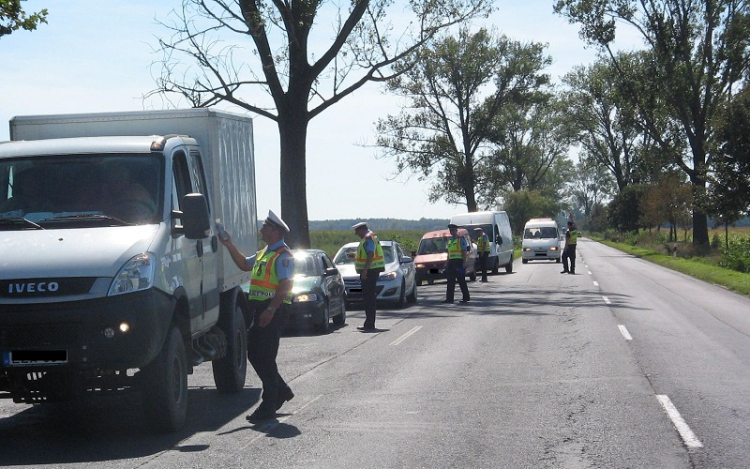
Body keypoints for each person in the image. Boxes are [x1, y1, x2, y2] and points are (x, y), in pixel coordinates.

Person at [219, 210, 295, 422]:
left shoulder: (283, 256)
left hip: (274, 309)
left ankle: (269, 404)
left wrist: (270, 311)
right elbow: (244, 264)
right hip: (262, 309)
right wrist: (229, 245)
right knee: (255, 353)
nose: (261, 229)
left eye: (265, 227)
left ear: (275, 231)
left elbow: (285, 285)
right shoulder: (265, 253)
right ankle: (281, 390)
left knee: (265, 357)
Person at [352, 222, 385, 331]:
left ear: (362, 230)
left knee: (369, 298)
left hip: (370, 272)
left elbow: (370, 254)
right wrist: (355, 256)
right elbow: (368, 254)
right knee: (369, 297)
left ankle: (369, 324)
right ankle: (369, 323)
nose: (357, 234)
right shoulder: (372, 237)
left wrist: (365, 271)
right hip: (372, 270)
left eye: (357, 232)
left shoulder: (368, 238)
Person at [444, 223, 470, 303]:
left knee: (461, 280)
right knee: (450, 281)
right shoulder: (450, 240)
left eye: (453, 230)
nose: (452, 232)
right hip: (451, 262)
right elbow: (449, 252)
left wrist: (464, 262)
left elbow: (464, 251)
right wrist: (447, 262)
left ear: (456, 230)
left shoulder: (460, 239)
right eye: (450, 230)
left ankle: (466, 297)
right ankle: (449, 299)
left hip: (459, 261)